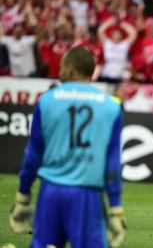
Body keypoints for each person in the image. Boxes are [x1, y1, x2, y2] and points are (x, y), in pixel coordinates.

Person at [9, 47, 126, 247]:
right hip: (88, 196)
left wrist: (23, 195)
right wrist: (115, 208)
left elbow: (32, 155)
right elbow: (112, 162)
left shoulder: (46, 101)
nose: (59, 70)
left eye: (62, 66)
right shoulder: (111, 106)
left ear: (71, 69)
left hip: (50, 192)